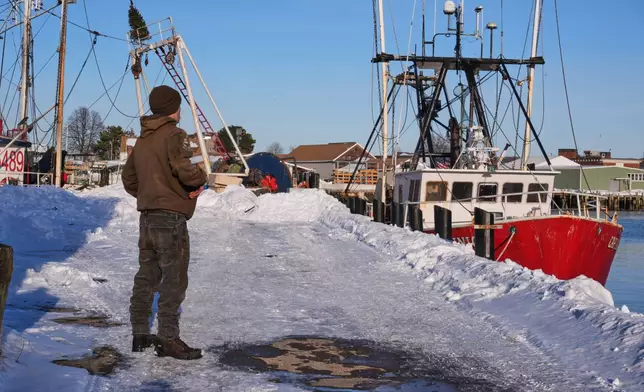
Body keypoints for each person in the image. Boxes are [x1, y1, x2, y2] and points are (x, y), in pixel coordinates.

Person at [122, 85, 207, 360]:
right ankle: (168, 338)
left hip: (147, 218)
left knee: (146, 275)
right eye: (178, 106)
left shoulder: (142, 141)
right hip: (170, 218)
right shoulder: (175, 134)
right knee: (174, 278)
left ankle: (139, 334)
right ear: (173, 108)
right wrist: (200, 178)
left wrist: (149, 195)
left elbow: (128, 179)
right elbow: (186, 172)